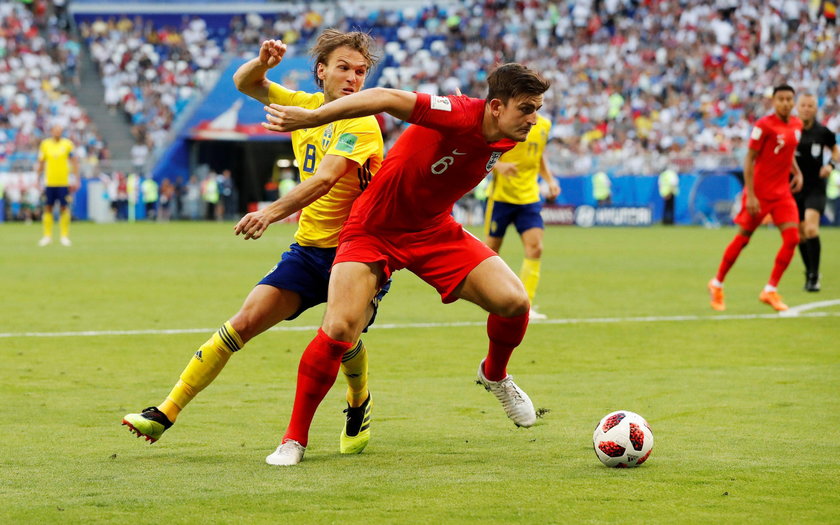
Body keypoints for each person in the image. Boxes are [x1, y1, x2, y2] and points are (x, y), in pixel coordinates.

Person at [261, 63, 550, 466]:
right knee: (340, 327)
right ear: (497, 107)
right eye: (527, 109)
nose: (534, 119)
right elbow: (384, 97)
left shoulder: (510, 135)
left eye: (537, 108)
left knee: (514, 302)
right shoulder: (459, 112)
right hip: (373, 228)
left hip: (432, 231)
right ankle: (293, 439)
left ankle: (495, 375)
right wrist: (313, 116)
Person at [122, 31, 385, 458]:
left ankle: (358, 403)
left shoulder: (362, 119)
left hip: (357, 253)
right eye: (343, 68)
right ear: (321, 70)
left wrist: (268, 212)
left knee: (340, 338)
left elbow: (326, 178)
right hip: (308, 250)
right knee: (243, 321)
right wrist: (263, 63)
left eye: (360, 71)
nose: (353, 78)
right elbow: (245, 84)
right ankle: (165, 412)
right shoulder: (304, 105)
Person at [708, 85, 804, 312]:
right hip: (759, 194)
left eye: (789, 99)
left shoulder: (797, 125)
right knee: (743, 239)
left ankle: (770, 290)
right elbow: (749, 159)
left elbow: (786, 153)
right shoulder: (763, 125)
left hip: (782, 194)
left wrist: (797, 171)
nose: (786, 103)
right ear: (774, 101)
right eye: (781, 99)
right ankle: (717, 283)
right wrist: (750, 194)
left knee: (792, 239)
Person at [484, 113, 560, 320]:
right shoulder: (505, 121)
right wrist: (499, 166)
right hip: (501, 198)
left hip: (529, 198)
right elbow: (485, 149)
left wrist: (550, 180)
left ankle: (526, 305)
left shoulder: (545, 124)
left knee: (535, 248)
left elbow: (539, 155)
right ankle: (492, 299)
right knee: (489, 254)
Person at [793, 93, 839, 292]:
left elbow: (836, 151)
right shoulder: (790, 129)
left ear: (815, 108)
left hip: (815, 187)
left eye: (810, 105)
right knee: (799, 235)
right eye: (803, 105)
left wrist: (830, 165)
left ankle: (814, 276)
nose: (806, 108)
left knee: (811, 228)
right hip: (794, 188)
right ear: (797, 107)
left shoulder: (823, 132)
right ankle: (810, 271)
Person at [37, 124, 78, 246]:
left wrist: (76, 178)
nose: (57, 132)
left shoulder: (68, 144)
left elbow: (74, 162)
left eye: (59, 130)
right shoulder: (45, 144)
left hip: (63, 182)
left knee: (64, 208)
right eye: (55, 130)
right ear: (51, 131)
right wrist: (37, 178)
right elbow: (41, 163)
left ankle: (64, 236)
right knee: (48, 207)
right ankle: (47, 236)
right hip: (49, 181)